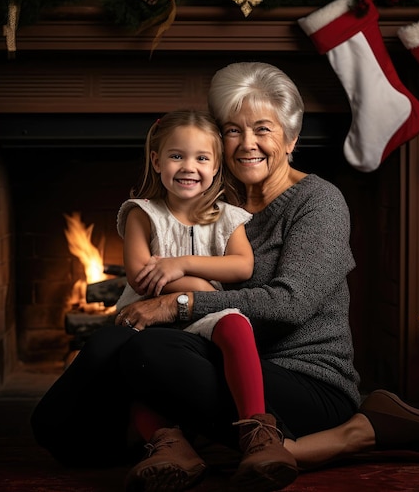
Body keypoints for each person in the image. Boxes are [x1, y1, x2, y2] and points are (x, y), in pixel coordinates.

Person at [31, 62, 419, 492]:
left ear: (291, 139)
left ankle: (359, 432)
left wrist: (179, 303)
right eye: (233, 131)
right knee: (82, 413)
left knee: (148, 349)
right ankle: (160, 441)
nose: (247, 143)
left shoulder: (319, 202)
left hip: (304, 379)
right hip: (221, 363)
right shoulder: (213, 202)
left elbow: (289, 304)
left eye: (263, 129)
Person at [114, 108, 297, 489]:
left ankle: (257, 433)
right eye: (177, 156)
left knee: (235, 322)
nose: (188, 167)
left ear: (215, 167)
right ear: (156, 160)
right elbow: (141, 277)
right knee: (136, 360)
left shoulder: (227, 217)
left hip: (203, 312)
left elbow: (243, 267)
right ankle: (166, 443)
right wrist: (197, 286)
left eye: (201, 158)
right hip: (149, 314)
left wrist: (182, 266)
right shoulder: (142, 215)